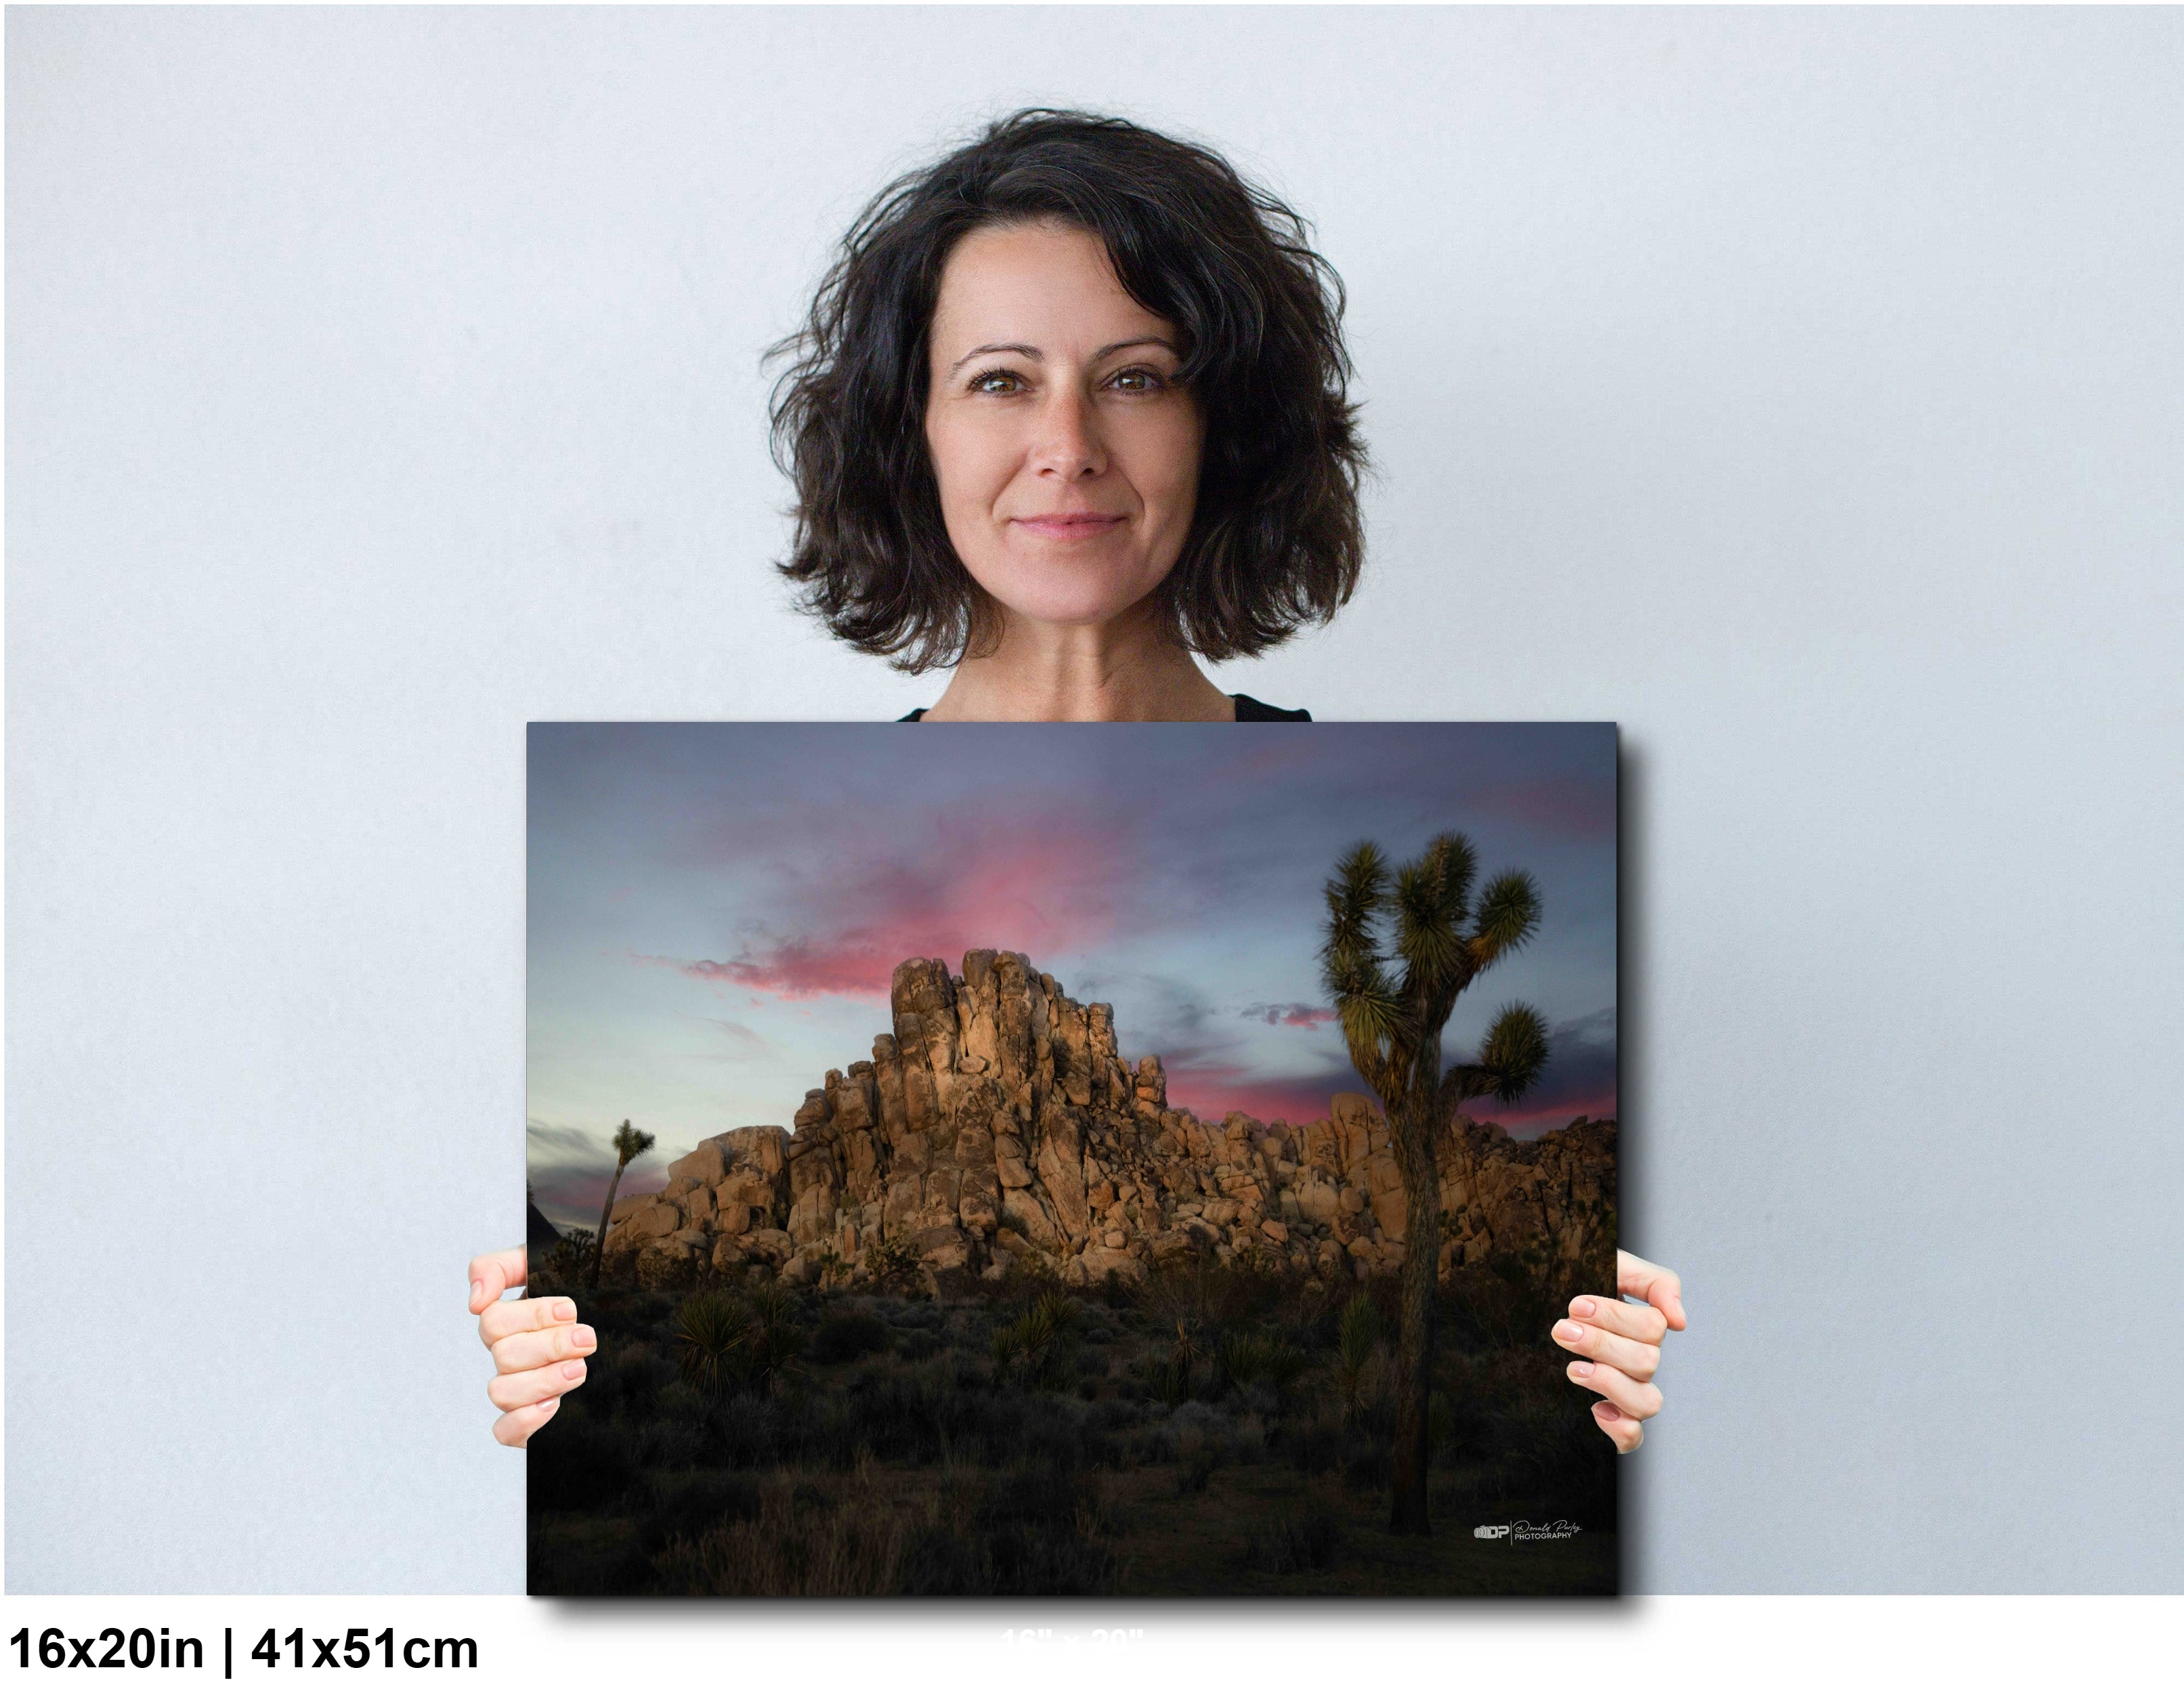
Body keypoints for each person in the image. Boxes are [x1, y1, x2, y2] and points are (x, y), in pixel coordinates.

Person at [472, 108, 1685, 1452]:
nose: (1068, 444)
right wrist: (554, 1383)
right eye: (999, 379)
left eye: (1137, 375)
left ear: (1221, 426)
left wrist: (1587, 1393)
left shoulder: (1407, 812)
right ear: (910, 430)